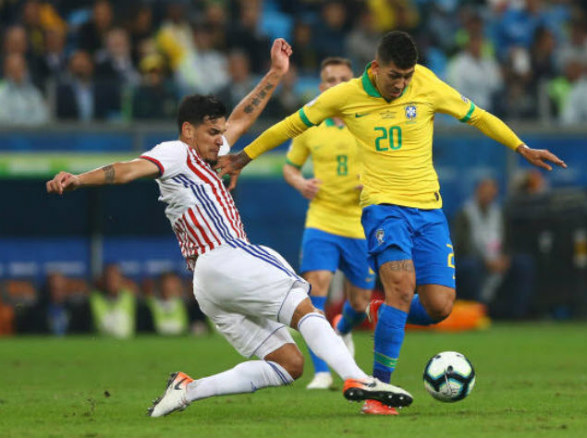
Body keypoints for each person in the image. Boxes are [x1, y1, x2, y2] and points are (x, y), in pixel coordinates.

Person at [46, 38, 412, 417]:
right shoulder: (174, 152)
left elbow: (243, 116)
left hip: (210, 285)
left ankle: (188, 389)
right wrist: (78, 179)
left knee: (289, 364)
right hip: (225, 256)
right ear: (187, 130)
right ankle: (358, 378)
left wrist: (274, 74)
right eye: (211, 132)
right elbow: (124, 170)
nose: (220, 139)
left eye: (220, 132)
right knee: (304, 308)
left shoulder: (214, 152)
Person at [218, 31, 566, 415]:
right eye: (394, 76)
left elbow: (478, 117)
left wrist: (522, 147)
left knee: (439, 306)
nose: (401, 84)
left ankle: (381, 314)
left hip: (430, 211)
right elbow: (290, 125)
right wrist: (243, 157)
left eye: (407, 76)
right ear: (376, 67)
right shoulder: (345, 96)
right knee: (401, 285)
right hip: (384, 208)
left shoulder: (427, 83)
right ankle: (377, 392)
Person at [282, 57, 374, 390]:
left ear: (353, 83)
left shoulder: (369, 119)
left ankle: (343, 329)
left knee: (361, 303)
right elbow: (290, 166)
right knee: (317, 285)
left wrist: (374, 182)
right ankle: (322, 371)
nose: (336, 84)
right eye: (330, 80)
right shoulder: (310, 124)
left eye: (343, 79)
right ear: (321, 87)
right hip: (322, 218)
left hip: (361, 223)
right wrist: (300, 183)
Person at [453, 178, 535, 319]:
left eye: (491, 193)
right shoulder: (465, 213)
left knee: (524, 264)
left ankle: (516, 314)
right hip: (475, 260)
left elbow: (507, 241)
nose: (488, 196)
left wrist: (505, 258)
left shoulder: (499, 213)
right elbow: (461, 246)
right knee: (471, 267)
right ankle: (478, 312)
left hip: (497, 259)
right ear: (477, 192)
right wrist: (485, 262)